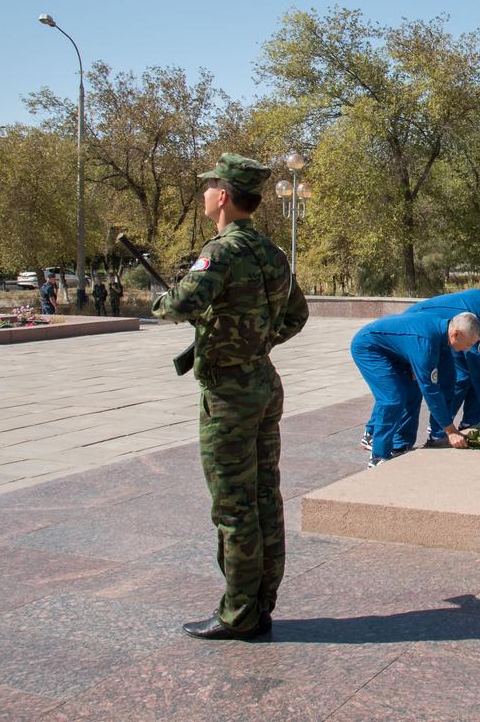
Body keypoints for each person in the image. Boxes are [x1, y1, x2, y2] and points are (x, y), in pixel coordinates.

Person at [153, 152, 309, 641]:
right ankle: (261, 605)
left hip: (228, 393)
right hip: (263, 381)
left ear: (222, 196)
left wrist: (163, 303)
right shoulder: (271, 253)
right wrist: (258, 341)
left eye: (208, 187)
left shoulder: (220, 251)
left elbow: (180, 304)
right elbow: (297, 315)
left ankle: (238, 613)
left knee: (233, 504)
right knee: (265, 496)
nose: (204, 194)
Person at [357, 290, 480, 453]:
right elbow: (476, 363)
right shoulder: (474, 317)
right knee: (403, 391)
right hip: (421, 331)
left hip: (447, 334)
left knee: (451, 379)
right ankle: (376, 434)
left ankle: (438, 433)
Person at [351, 310, 480, 466]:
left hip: (395, 350)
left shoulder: (443, 331)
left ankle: (400, 446)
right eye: (468, 344)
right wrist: (450, 431)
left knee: (413, 393)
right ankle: (378, 456)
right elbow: (431, 391)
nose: (468, 349)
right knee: (393, 399)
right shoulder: (426, 343)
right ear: (455, 334)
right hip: (369, 348)